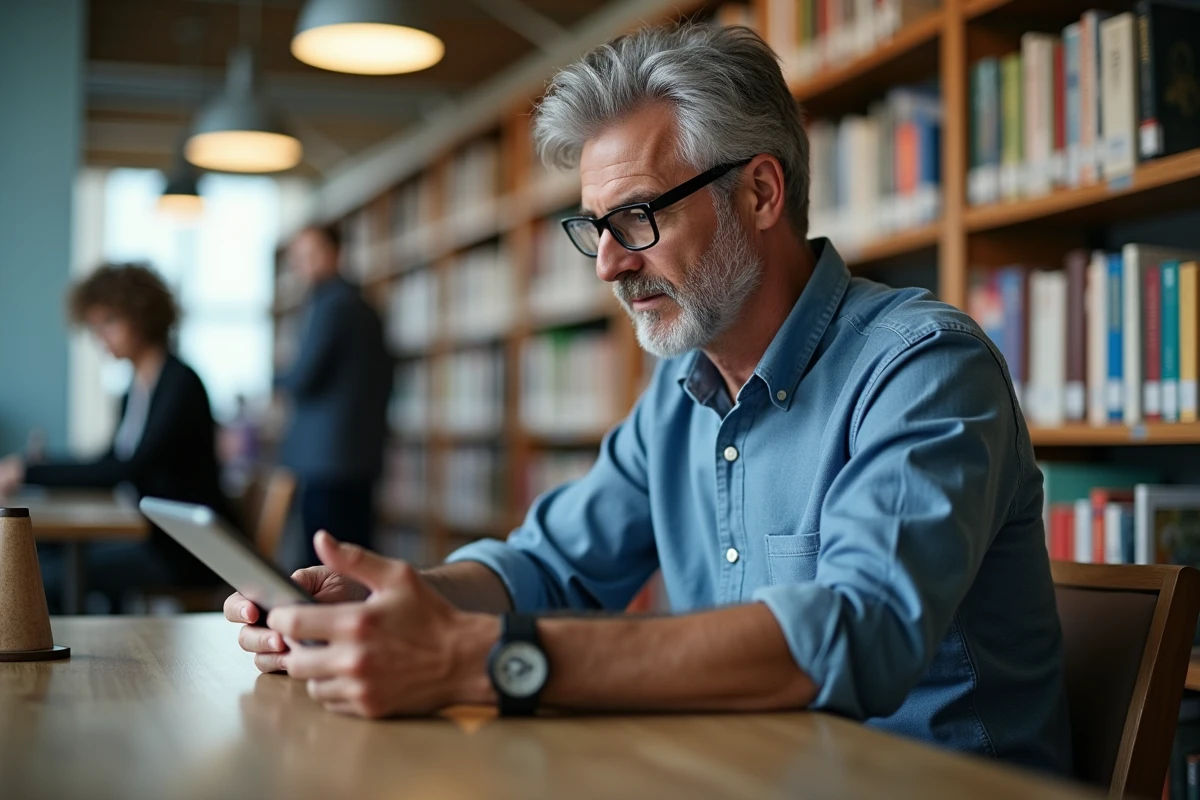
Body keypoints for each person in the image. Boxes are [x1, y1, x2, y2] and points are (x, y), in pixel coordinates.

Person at [226, 23, 1070, 773]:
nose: (608, 264)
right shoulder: (678, 393)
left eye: (636, 217)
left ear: (761, 193)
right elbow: (551, 567)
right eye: (595, 228)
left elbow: (853, 630)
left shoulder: (923, 367)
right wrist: (387, 606)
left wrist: (482, 659)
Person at [0, 263, 229, 609]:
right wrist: (35, 466)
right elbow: (110, 461)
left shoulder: (180, 383)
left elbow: (129, 468)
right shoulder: (135, 390)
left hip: (181, 551)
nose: (100, 337)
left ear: (144, 317)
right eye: (95, 326)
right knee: (33, 558)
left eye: (109, 322)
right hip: (152, 536)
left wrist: (30, 471)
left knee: (41, 577)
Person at [274, 225, 391, 569]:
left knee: (323, 565)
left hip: (327, 460)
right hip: (356, 455)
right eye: (297, 258)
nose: (302, 266)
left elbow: (304, 377)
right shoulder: (362, 304)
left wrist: (277, 376)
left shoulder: (331, 305)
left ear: (335, 253)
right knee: (355, 560)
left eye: (310, 255)